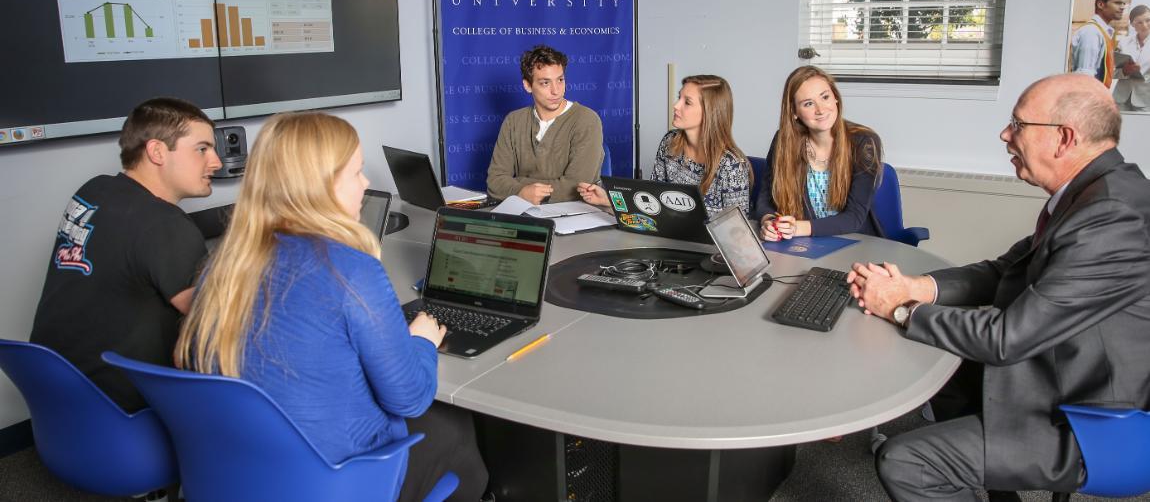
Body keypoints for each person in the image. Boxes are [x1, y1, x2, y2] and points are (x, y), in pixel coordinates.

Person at [847, 74, 1150, 501]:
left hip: (1096, 419)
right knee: (944, 371)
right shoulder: (1093, 193)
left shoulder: (1110, 217)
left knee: (905, 462)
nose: (1005, 134)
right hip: (1066, 365)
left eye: (1018, 124)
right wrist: (918, 286)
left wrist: (901, 309)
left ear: (1063, 138)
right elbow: (1001, 271)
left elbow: (1007, 339)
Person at [175, 112, 487, 502]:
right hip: (339, 480)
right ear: (319, 186)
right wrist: (422, 341)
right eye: (356, 173)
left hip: (242, 475)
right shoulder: (352, 271)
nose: (367, 183)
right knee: (457, 433)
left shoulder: (220, 265)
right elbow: (410, 397)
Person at [29, 97, 221, 412]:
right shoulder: (165, 226)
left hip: (59, 394)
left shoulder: (95, 191)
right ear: (157, 151)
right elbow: (215, 317)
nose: (215, 162)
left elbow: (143, 238)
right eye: (202, 149)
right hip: (124, 404)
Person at [577, 74, 751, 218]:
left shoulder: (732, 164)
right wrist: (609, 200)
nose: (676, 105)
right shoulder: (670, 142)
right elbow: (652, 201)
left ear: (710, 112)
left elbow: (737, 230)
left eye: (687, 102)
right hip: (667, 240)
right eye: (679, 97)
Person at [753, 65, 882, 241]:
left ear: (835, 98)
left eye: (825, 97)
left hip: (854, 242)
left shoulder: (864, 142)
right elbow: (765, 198)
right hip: (804, 243)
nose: (820, 110)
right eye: (808, 104)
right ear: (794, 112)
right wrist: (769, 222)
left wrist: (796, 228)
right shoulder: (784, 141)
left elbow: (854, 218)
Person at [487, 44, 604, 204]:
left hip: (575, 215)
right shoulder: (513, 121)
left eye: (560, 80)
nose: (556, 91)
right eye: (545, 83)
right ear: (528, 85)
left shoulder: (587, 120)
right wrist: (522, 192)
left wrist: (520, 185)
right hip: (525, 213)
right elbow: (494, 183)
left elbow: (575, 187)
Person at [1070, 0, 1128, 88]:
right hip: (1088, 96)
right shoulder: (1092, 32)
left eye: (1124, 4)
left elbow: (1102, 73)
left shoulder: (1102, 32)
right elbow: (1085, 75)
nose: (1123, 7)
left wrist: (1125, 71)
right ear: (1101, 4)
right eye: (1118, 3)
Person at [1114, 3, 1150, 112]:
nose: (1144, 25)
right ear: (1132, 24)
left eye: (1148, 20)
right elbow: (1112, 71)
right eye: (1139, 22)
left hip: (1146, 101)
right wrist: (1124, 71)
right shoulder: (1123, 43)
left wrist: (1143, 74)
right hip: (1121, 99)